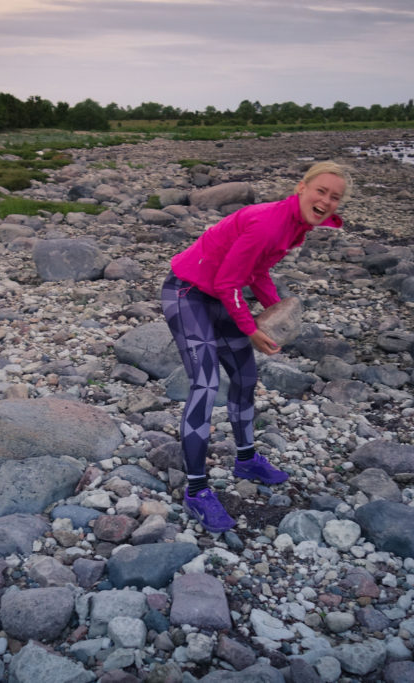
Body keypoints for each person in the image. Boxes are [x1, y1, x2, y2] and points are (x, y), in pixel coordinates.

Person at [161, 161, 349, 533]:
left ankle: (246, 460)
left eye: (335, 197)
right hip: (188, 293)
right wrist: (251, 328)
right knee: (206, 384)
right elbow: (229, 280)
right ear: (301, 188)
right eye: (321, 191)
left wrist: (276, 311)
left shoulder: (294, 226)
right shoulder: (269, 222)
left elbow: (257, 272)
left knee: (245, 377)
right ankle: (196, 491)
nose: (326, 201)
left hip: (218, 296)